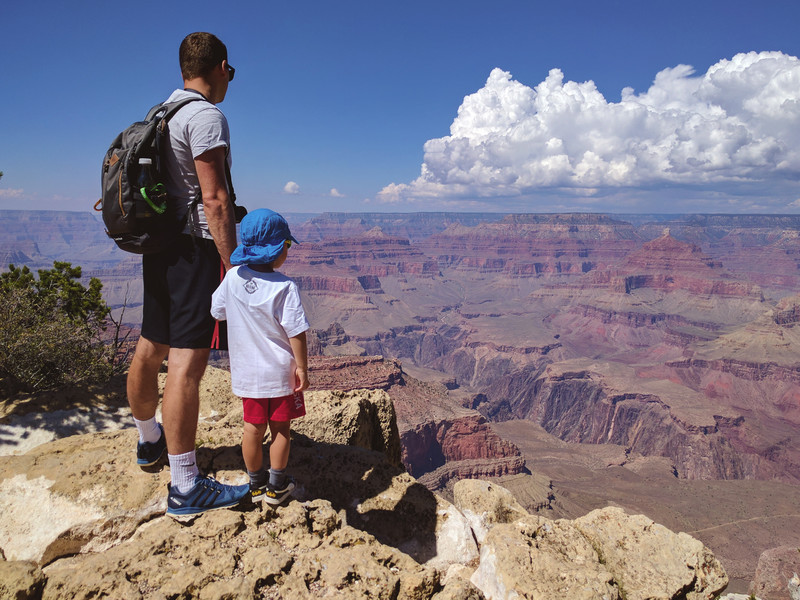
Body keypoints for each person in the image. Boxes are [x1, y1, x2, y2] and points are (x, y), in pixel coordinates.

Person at [126, 32, 250, 519]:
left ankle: (148, 441)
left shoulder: (161, 113)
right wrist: (234, 265)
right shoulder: (205, 116)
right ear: (220, 66)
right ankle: (185, 486)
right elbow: (215, 199)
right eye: (231, 72)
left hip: (157, 248)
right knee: (186, 364)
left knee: (150, 345)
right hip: (194, 251)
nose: (229, 81)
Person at [210, 209, 310, 505]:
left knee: (252, 429)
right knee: (281, 430)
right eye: (287, 246)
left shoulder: (231, 277)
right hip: (281, 374)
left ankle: (254, 485)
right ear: (278, 249)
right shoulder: (284, 286)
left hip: (247, 374)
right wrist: (302, 367)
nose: (288, 252)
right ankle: (276, 486)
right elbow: (296, 332)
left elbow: (217, 311)